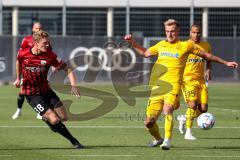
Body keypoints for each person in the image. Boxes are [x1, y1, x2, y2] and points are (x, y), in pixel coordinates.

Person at [124, 19, 238, 150]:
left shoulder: (186, 46)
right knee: (149, 122)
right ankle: (158, 139)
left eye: (172, 31)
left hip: (173, 86)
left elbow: (207, 55)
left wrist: (226, 63)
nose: (170, 34)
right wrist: (132, 43)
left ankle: (167, 141)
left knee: (168, 110)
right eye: (167, 31)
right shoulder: (161, 45)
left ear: (177, 31)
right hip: (156, 88)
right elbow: (145, 53)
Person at [13, 30, 84, 149]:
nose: (47, 45)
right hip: (32, 95)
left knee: (64, 117)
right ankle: (74, 141)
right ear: (36, 43)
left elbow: (67, 68)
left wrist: (74, 85)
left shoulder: (50, 56)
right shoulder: (23, 54)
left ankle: (48, 119)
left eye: (48, 43)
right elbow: (18, 62)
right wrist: (17, 78)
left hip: (46, 91)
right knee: (55, 119)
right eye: (45, 43)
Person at [177, 24, 212, 140]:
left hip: (200, 80)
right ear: (190, 33)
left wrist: (208, 69)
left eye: (198, 33)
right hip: (187, 80)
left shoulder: (206, 46)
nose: (196, 35)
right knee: (192, 104)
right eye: (194, 32)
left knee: (203, 108)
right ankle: (188, 133)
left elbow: (209, 59)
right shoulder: (185, 46)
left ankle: (184, 118)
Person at [12, 22, 51, 120]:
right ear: (33, 29)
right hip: (28, 71)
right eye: (37, 28)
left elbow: (49, 57)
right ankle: (18, 110)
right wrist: (18, 78)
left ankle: (40, 111)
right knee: (23, 91)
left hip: (40, 72)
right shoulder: (26, 40)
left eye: (40, 28)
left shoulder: (45, 42)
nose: (38, 30)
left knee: (42, 90)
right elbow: (20, 57)